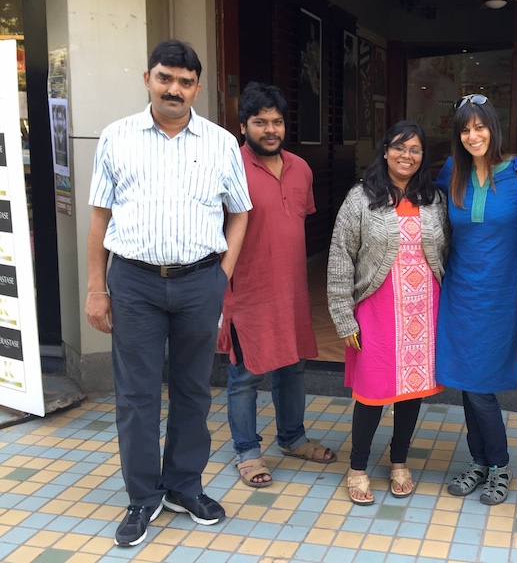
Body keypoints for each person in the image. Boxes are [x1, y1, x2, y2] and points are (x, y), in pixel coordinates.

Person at [85, 40, 252, 547]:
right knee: (136, 396)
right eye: (165, 78)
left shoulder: (221, 143)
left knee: (193, 390)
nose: (174, 89)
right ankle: (142, 496)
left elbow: (239, 212)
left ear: (197, 87)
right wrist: (97, 287)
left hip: (200, 280)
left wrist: (221, 276)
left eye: (184, 81)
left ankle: (183, 486)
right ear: (148, 79)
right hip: (133, 281)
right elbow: (99, 216)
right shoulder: (116, 138)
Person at [218, 82, 336, 490]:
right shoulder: (228, 166)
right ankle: (248, 451)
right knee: (246, 374)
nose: (270, 129)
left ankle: (292, 438)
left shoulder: (301, 168)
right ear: (243, 125)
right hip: (246, 290)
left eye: (277, 121)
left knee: (293, 366)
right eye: (260, 122)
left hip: (291, 290)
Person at [327, 120, 449, 505]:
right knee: (372, 390)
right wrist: (343, 316)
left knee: (411, 391)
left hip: (423, 309)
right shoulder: (360, 198)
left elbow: (445, 253)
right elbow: (340, 258)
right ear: (385, 150)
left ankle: (399, 461)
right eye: (399, 147)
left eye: (415, 150)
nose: (406, 155)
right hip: (377, 309)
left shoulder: (434, 199)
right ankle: (358, 467)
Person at [435, 94, 517, 506]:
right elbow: (430, 217)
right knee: (466, 381)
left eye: (479, 126)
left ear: (493, 128)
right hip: (459, 291)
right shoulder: (452, 171)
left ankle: (497, 463)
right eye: (465, 129)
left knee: (480, 384)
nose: (472, 135)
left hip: (498, 294)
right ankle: (480, 462)